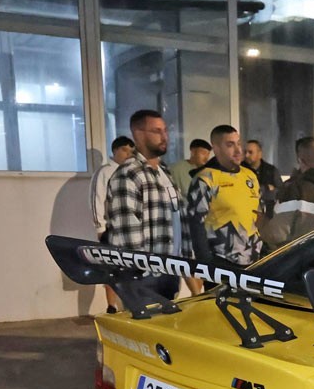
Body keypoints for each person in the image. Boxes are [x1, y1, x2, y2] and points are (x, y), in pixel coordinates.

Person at [106, 109, 189, 299]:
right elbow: (128, 233)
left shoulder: (164, 172)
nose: (164, 136)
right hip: (144, 276)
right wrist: (141, 272)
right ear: (138, 134)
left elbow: (176, 218)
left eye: (165, 131)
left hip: (169, 269)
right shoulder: (128, 174)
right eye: (157, 131)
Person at [185, 124, 265, 267]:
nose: (238, 150)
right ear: (216, 148)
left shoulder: (250, 175)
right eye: (230, 145)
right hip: (221, 261)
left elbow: (258, 215)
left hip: (253, 260)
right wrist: (206, 263)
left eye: (239, 144)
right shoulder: (206, 179)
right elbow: (195, 223)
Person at [89, 135, 135, 313]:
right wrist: (100, 226)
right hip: (111, 227)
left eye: (131, 151)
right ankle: (112, 306)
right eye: (124, 150)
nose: (128, 154)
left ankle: (130, 304)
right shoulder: (105, 172)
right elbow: (97, 199)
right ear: (115, 150)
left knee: (130, 266)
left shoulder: (132, 171)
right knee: (112, 267)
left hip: (130, 229)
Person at [243, 139, 284, 212]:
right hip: (247, 210)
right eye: (245, 152)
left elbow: (281, 191)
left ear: (259, 154)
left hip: (268, 212)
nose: (246, 155)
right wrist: (266, 188)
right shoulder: (240, 170)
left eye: (250, 152)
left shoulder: (271, 170)